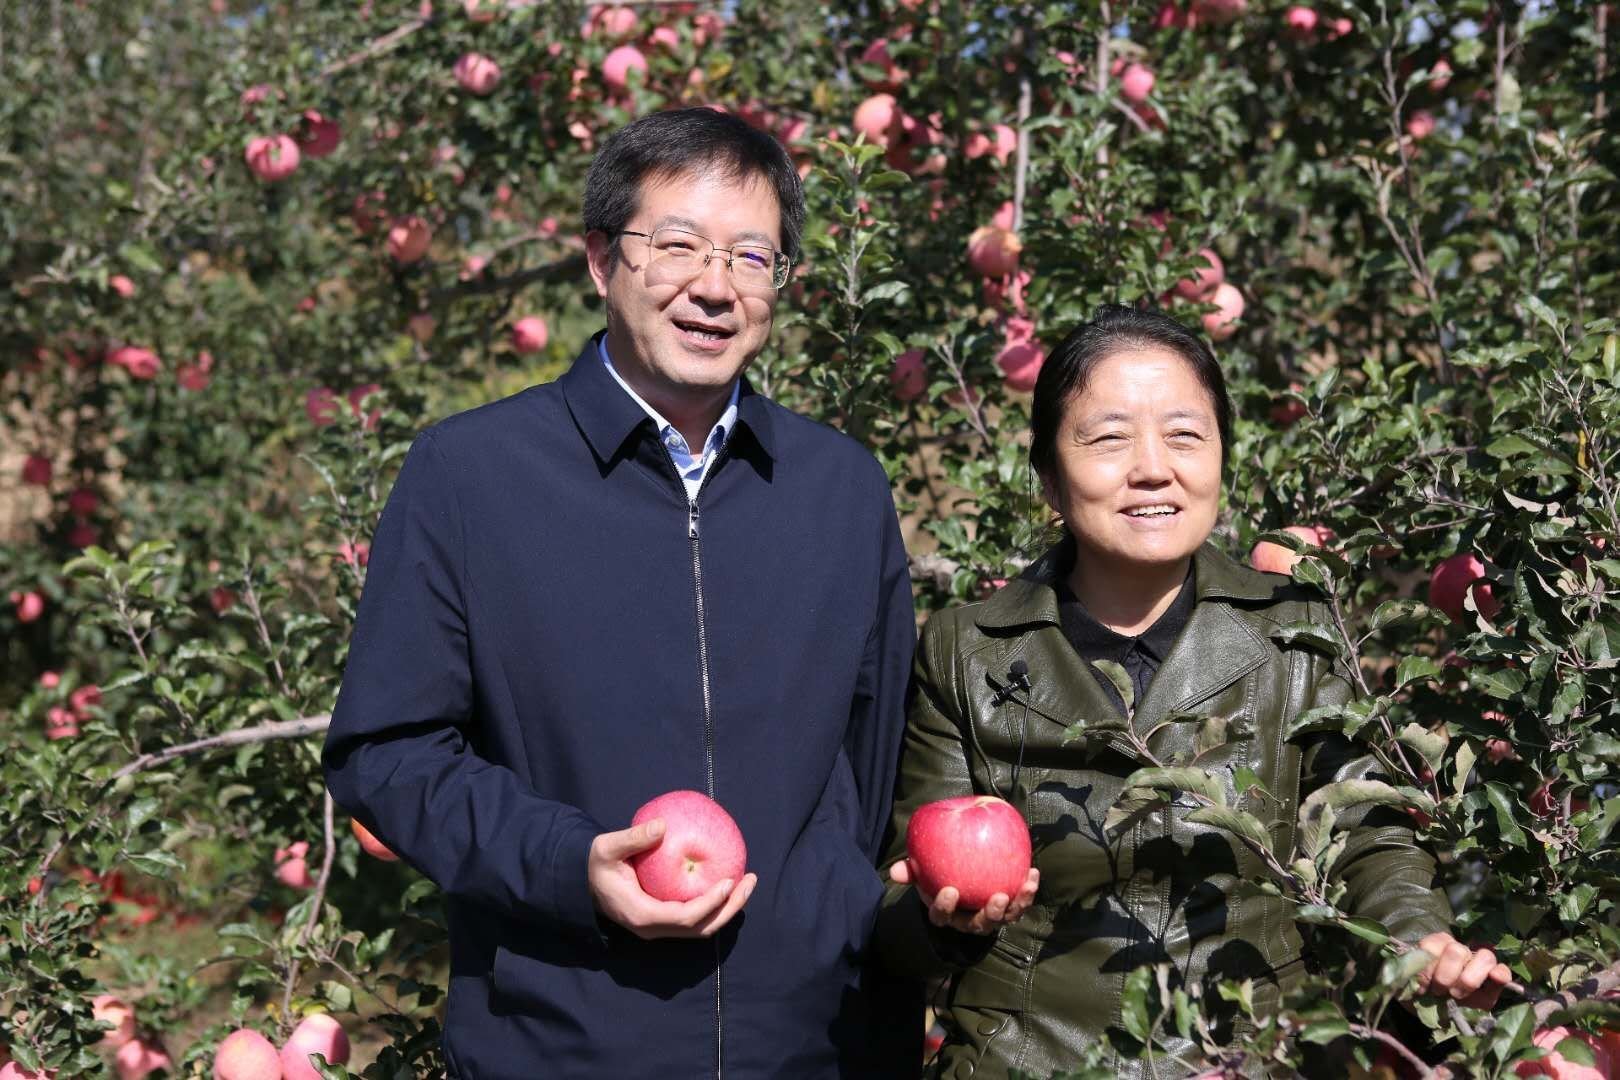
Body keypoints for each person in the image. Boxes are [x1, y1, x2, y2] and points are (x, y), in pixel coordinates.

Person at [322, 107, 918, 1078]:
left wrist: (837, 932)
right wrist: (569, 866)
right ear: (601, 261)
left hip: (806, 1050)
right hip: (558, 1042)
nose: (714, 288)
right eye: (676, 244)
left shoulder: (842, 492)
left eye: (752, 257)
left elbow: (879, 764)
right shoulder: (472, 476)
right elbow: (386, 753)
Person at [871, 305, 1510, 1078]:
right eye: (1109, 437)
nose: (1152, 467)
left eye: (1184, 435)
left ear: (1221, 461)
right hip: (1027, 1059)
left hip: (1258, 1054)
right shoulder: (965, 648)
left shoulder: (1296, 635)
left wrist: (1420, 937)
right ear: (1048, 474)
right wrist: (946, 917)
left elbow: (1368, 835)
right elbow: (899, 903)